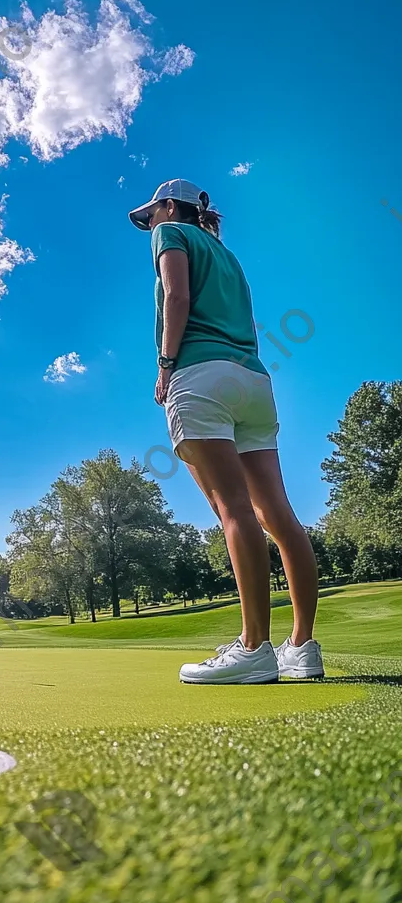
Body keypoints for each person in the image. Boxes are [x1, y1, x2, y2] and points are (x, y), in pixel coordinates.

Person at [128, 179, 323, 684]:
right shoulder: (226, 254)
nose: (150, 222)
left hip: (201, 374)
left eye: (152, 212)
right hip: (253, 380)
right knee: (277, 513)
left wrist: (166, 364)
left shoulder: (170, 231)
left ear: (172, 206)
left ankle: (254, 647)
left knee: (232, 508)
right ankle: (301, 647)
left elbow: (177, 295)